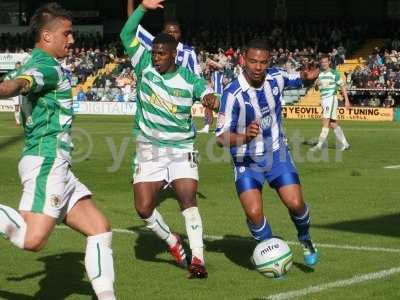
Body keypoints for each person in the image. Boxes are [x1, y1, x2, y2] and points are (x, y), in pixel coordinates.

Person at [0, 4, 116, 299]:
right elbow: (19, 85)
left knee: (99, 228)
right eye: (67, 33)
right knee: (32, 239)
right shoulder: (45, 67)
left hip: (57, 164)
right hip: (47, 159)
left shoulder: (32, 62)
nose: (73, 40)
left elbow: (20, 82)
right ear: (46, 36)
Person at [120, 0, 219, 279]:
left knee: (187, 199)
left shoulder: (189, 79)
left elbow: (209, 95)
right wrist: (141, 7)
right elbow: (126, 35)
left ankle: (198, 259)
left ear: (174, 54)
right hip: (148, 148)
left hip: (181, 148)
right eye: (154, 53)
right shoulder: (143, 64)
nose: (156, 58)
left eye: (162, 54)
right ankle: (173, 242)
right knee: (143, 208)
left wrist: (213, 99)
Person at [216, 39, 320, 267]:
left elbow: (300, 79)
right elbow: (220, 137)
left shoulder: (276, 77)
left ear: (268, 62)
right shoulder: (232, 93)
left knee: (295, 203)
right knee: (254, 213)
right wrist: (244, 137)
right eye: (253, 61)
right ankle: (273, 255)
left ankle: (305, 238)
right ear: (243, 60)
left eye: (263, 62)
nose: (258, 67)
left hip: (276, 154)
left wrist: (309, 78)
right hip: (245, 160)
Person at [310, 54, 350, 152]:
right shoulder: (320, 74)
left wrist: (347, 100)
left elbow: (343, 86)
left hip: (330, 99)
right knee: (332, 123)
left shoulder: (334, 73)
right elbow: (316, 87)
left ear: (329, 62)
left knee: (325, 121)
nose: (323, 63)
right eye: (322, 62)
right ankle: (345, 144)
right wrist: (316, 85)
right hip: (324, 100)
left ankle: (319, 145)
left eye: (325, 62)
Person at [3, 62, 23, 126]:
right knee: (17, 106)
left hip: (22, 91)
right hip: (15, 92)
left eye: (20, 66)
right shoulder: (12, 73)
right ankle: (18, 122)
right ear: (15, 66)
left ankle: (25, 119)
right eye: (17, 66)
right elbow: (5, 79)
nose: (19, 67)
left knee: (23, 106)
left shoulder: (24, 71)